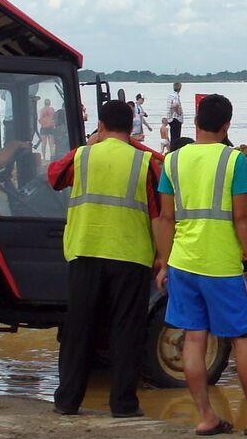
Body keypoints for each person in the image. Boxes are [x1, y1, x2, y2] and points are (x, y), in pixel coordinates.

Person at [153, 93, 247, 436]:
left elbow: (165, 218)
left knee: (193, 339)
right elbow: (243, 219)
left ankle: (206, 416)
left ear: (195, 121)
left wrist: (163, 264)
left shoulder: (172, 161)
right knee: (243, 339)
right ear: (227, 125)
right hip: (220, 265)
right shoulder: (233, 160)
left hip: (183, 263)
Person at [47, 99, 162, 418]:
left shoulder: (83, 156)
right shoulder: (144, 163)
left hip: (85, 250)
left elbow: (54, 177)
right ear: (131, 127)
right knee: (127, 331)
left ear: (99, 125)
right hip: (131, 256)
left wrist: (89, 143)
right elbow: (157, 215)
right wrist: (161, 257)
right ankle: (123, 404)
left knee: (78, 327)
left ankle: (68, 400)